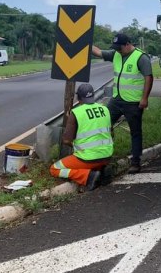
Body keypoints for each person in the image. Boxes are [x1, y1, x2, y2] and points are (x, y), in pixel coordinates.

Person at [92, 33, 153, 173]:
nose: (117, 50)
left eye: (119, 47)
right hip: (117, 98)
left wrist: (144, 98)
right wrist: (84, 42)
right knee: (104, 124)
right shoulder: (116, 54)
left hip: (133, 102)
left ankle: (135, 162)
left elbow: (148, 78)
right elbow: (99, 52)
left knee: (135, 132)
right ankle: (103, 155)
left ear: (127, 44)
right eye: (116, 48)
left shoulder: (141, 57)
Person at [49, 83, 114, 190]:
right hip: (106, 156)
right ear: (93, 96)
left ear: (78, 98)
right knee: (96, 161)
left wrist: (75, 145)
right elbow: (111, 133)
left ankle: (88, 176)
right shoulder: (105, 109)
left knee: (54, 169)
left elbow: (66, 140)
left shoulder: (77, 113)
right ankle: (102, 171)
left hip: (87, 159)